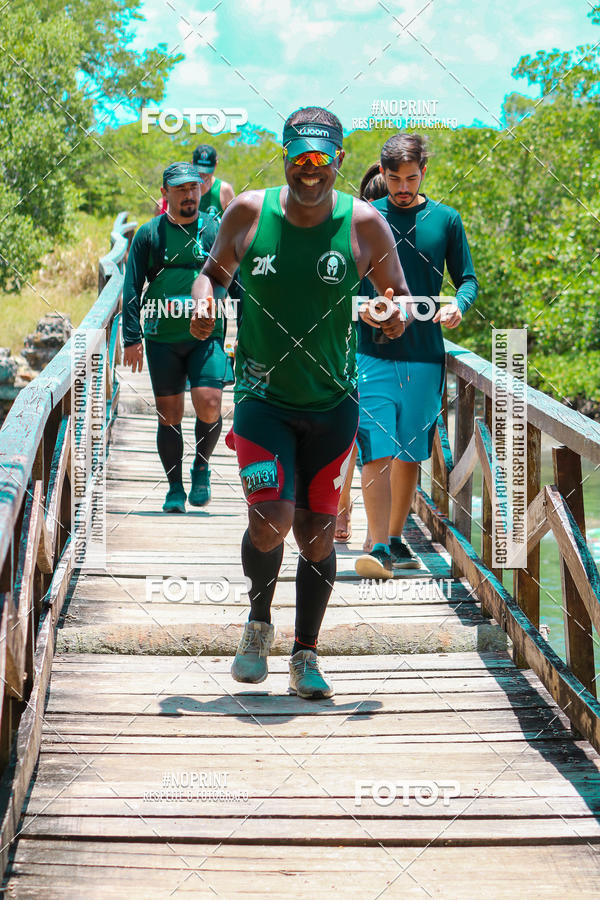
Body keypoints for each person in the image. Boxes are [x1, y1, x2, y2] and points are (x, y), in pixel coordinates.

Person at [190, 106, 409, 699]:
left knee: (316, 534)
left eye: (321, 160)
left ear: (338, 161)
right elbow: (210, 272)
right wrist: (204, 300)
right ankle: (257, 627)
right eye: (299, 158)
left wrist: (389, 317)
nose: (309, 171)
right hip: (262, 396)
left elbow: (397, 301)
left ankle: (305, 654)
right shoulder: (248, 212)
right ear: (284, 156)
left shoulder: (364, 224)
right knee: (271, 522)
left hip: (333, 402)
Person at [354, 133, 479, 579]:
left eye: (410, 178)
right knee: (376, 448)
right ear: (382, 173)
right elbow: (348, 285)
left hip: (426, 355)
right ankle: (379, 544)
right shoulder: (365, 217)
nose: (402, 187)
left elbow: (467, 279)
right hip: (371, 353)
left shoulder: (445, 220)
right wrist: (363, 310)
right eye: (394, 179)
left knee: (410, 452)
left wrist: (457, 305)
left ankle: (391, 537)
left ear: (423, 171)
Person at [122, 162, 231, 513]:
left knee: (210, 402)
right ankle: (174, 487)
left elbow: (235, 282)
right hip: (162, 338)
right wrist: (131, 338)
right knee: (169, 413)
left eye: (194, 187)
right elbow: (131, 288)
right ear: (165, 193)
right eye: (181, 189)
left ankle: (202, 466)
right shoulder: (149, 235)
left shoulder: (215, 230)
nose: (189, 194)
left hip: (207, 336)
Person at [334, 162, 388, 543]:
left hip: (386, 355)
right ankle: (341, 509)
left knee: (374, 441)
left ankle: (375, 531)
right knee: (348, 441)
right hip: (348, 350)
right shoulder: (348, 238)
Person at [193, 144, 235, 224]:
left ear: (216, 165)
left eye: (207, 170)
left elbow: (236, 224)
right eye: (199, 169)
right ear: (192, 163)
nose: (203, 173)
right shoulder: (183, 188)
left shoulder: (224, 190)